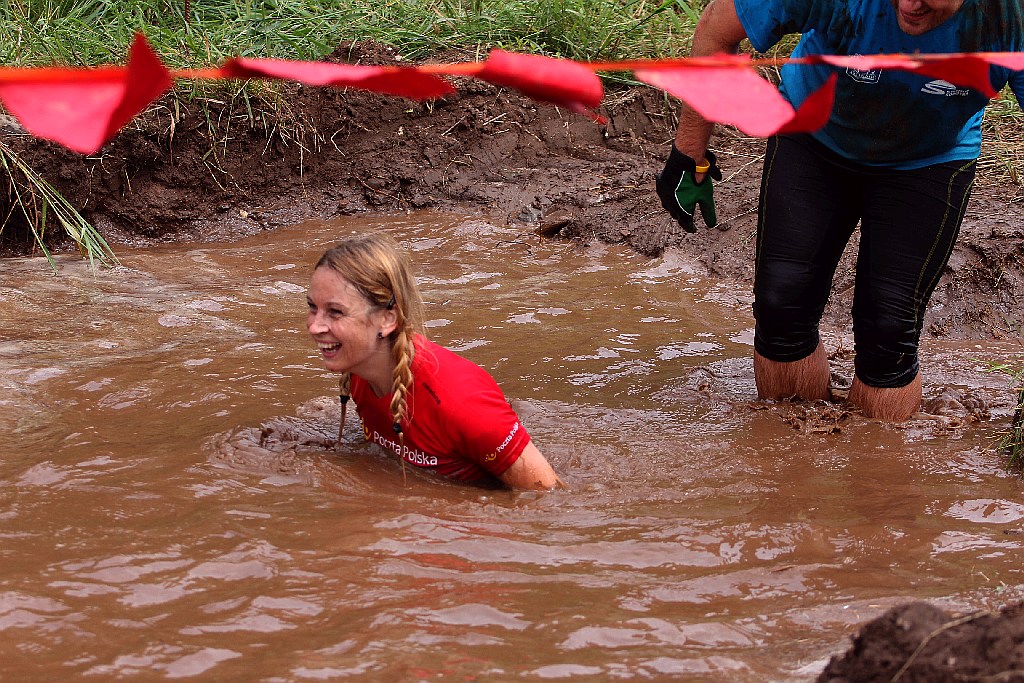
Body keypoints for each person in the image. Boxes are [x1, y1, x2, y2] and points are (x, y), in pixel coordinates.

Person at [657, 0, 1024, 421]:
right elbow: (715, 29)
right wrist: (689, 152)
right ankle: (788, 469)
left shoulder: (1010, 17)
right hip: (813, 138)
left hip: (929, 161)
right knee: (781, 307)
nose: (910, 5)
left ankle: (879, 478)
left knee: (889, 332)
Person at [306, 233, 563, 490]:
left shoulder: (461, 402)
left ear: (386, 320)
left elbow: (547, 501)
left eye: (335, 312)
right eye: (312, 308)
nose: (315, 326)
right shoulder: (358, 368)